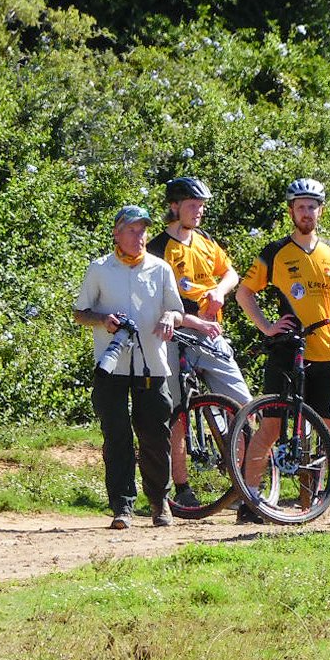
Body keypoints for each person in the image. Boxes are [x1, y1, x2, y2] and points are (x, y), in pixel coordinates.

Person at [235, 178, 330, 525]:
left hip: (326, 355)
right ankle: (250, 500)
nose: (307, 213)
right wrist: (266, 327)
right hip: (287, 353)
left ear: (321, 211)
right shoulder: (276, 251)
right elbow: (244, 292)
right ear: (291, 211)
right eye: (301, 207)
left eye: (313, 206)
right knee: (271, 427)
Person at [73, 205, 187, 530]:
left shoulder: (160, 268)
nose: (139, 237)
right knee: (117, 436)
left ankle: (159, 502)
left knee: (154, 436)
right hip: (111, 366)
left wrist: (169, 317)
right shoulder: (99, 268)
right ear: (117, 233)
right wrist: (103, 320)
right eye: (133, 230)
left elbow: (177, 311)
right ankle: (122, 507)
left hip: (152, 364)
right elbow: (80, 312)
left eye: (143, 231)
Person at [147, 176, 253, 509]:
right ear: (174, 206)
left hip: (211, 332)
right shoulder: (157, 248)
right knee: (177, 413)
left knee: (243, 405)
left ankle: (245, 484)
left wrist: (219, 291)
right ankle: (180, 487)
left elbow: (231, 273)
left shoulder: (206, 241)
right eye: (193, 205)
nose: (199, 211)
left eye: (202, 205)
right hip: (176, 335)